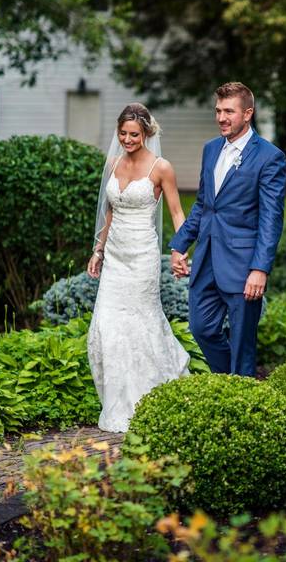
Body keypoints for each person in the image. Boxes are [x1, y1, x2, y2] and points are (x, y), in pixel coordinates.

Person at [169, 82, 286, 376]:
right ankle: (227, 382)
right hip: (208, 258)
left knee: (242, 341)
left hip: (243, 264)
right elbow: (203, 204)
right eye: (218, 111)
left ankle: (243, 398)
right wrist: (180, 244)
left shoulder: (270, 157)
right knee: (201, 328)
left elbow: (271, 219)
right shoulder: (211, 150)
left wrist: (260, 268)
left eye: (229, 112)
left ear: (248, 114)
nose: (222, 117)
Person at [87, 103, 191, 432]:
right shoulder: (114, 163)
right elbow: (110, 213)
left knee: (141, 323)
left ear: (146, 133)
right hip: (115, 256)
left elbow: (176, 212)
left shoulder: (162, 168)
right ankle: (119, 401)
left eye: (134, 134)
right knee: (107, 326)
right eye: (123, 133)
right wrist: (98, 250)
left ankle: (155, 395)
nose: (128, 139)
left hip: (143, 255)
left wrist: (180, 249)